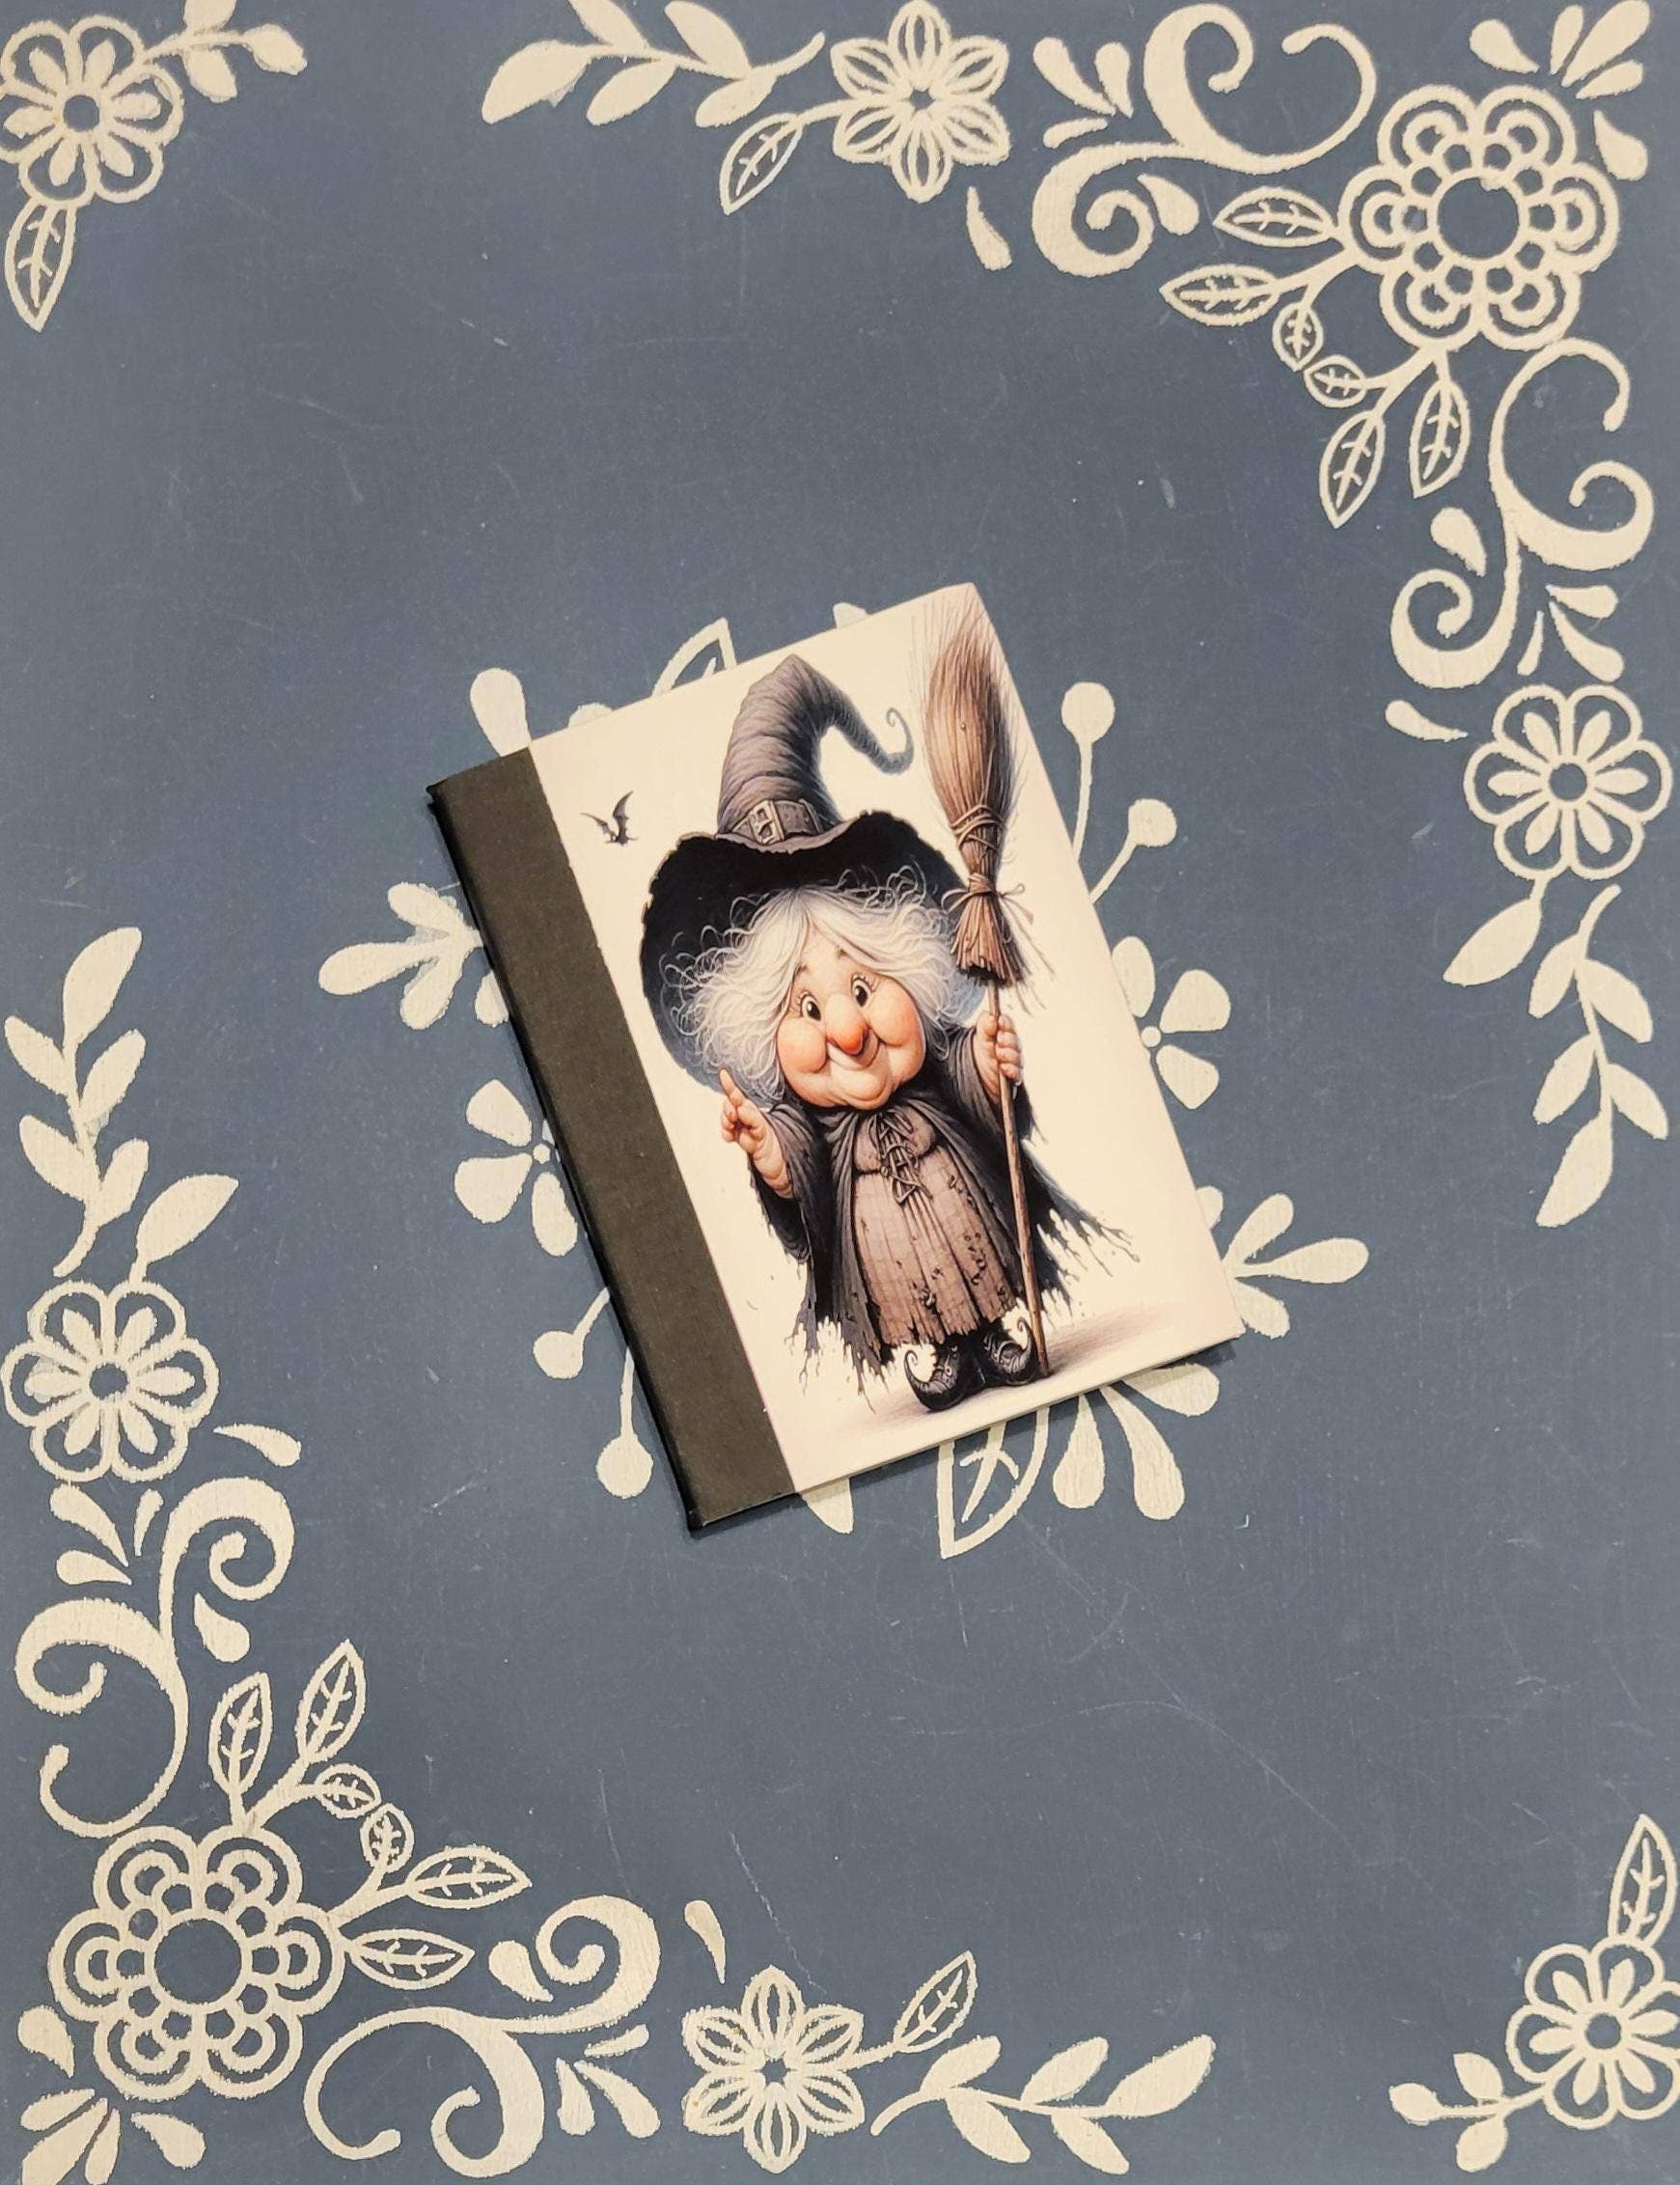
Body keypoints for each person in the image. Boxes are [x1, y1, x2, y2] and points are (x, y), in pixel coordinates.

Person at [642, 655, 1081, 1410]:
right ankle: (943, 1349)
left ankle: (991, 1335)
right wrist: (769, 1155)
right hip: (883, 1248)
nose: (848, 1032)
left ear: (908, 974)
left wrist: (985, 1065)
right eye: (807, 1010)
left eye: (861, 989)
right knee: (914, 1289)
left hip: (961, 1201)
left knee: (977, 1257)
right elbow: (799, 1165)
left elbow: (967, 1082)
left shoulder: (930, 1062)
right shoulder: (807, 1116)